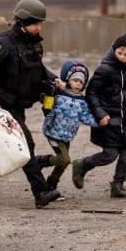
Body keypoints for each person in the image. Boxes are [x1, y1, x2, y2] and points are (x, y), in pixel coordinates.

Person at [0, 0, 62, 208]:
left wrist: (54, 80)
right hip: (0, 104)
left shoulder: (32, 43)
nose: (39, 27)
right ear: (23, 21)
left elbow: (39, 69)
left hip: (18, 103)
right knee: (24, 144)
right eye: (35, 23)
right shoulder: (3, 44)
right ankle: (40, 192)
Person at [71, 34, 126, 198]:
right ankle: (82, 165)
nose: (122, 57)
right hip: (109, 119)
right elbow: (92, 93)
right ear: (114, 51)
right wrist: (100, 114)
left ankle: (118, 185)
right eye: (120, 52)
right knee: (110, 154)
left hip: (125, 120)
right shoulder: (104, 70)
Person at [41, 60, 97, 198]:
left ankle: (50, 186)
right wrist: (50, 97)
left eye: (81, 81)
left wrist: (100, 122)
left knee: (63, 163)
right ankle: (40, 161)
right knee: (65, 159)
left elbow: (85, 116)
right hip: (53, 133)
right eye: (75, 80)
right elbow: (47, 105)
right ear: (67, 80)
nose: (78, 83)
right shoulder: (58, 94)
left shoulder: (82, 101)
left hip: (67, 136)